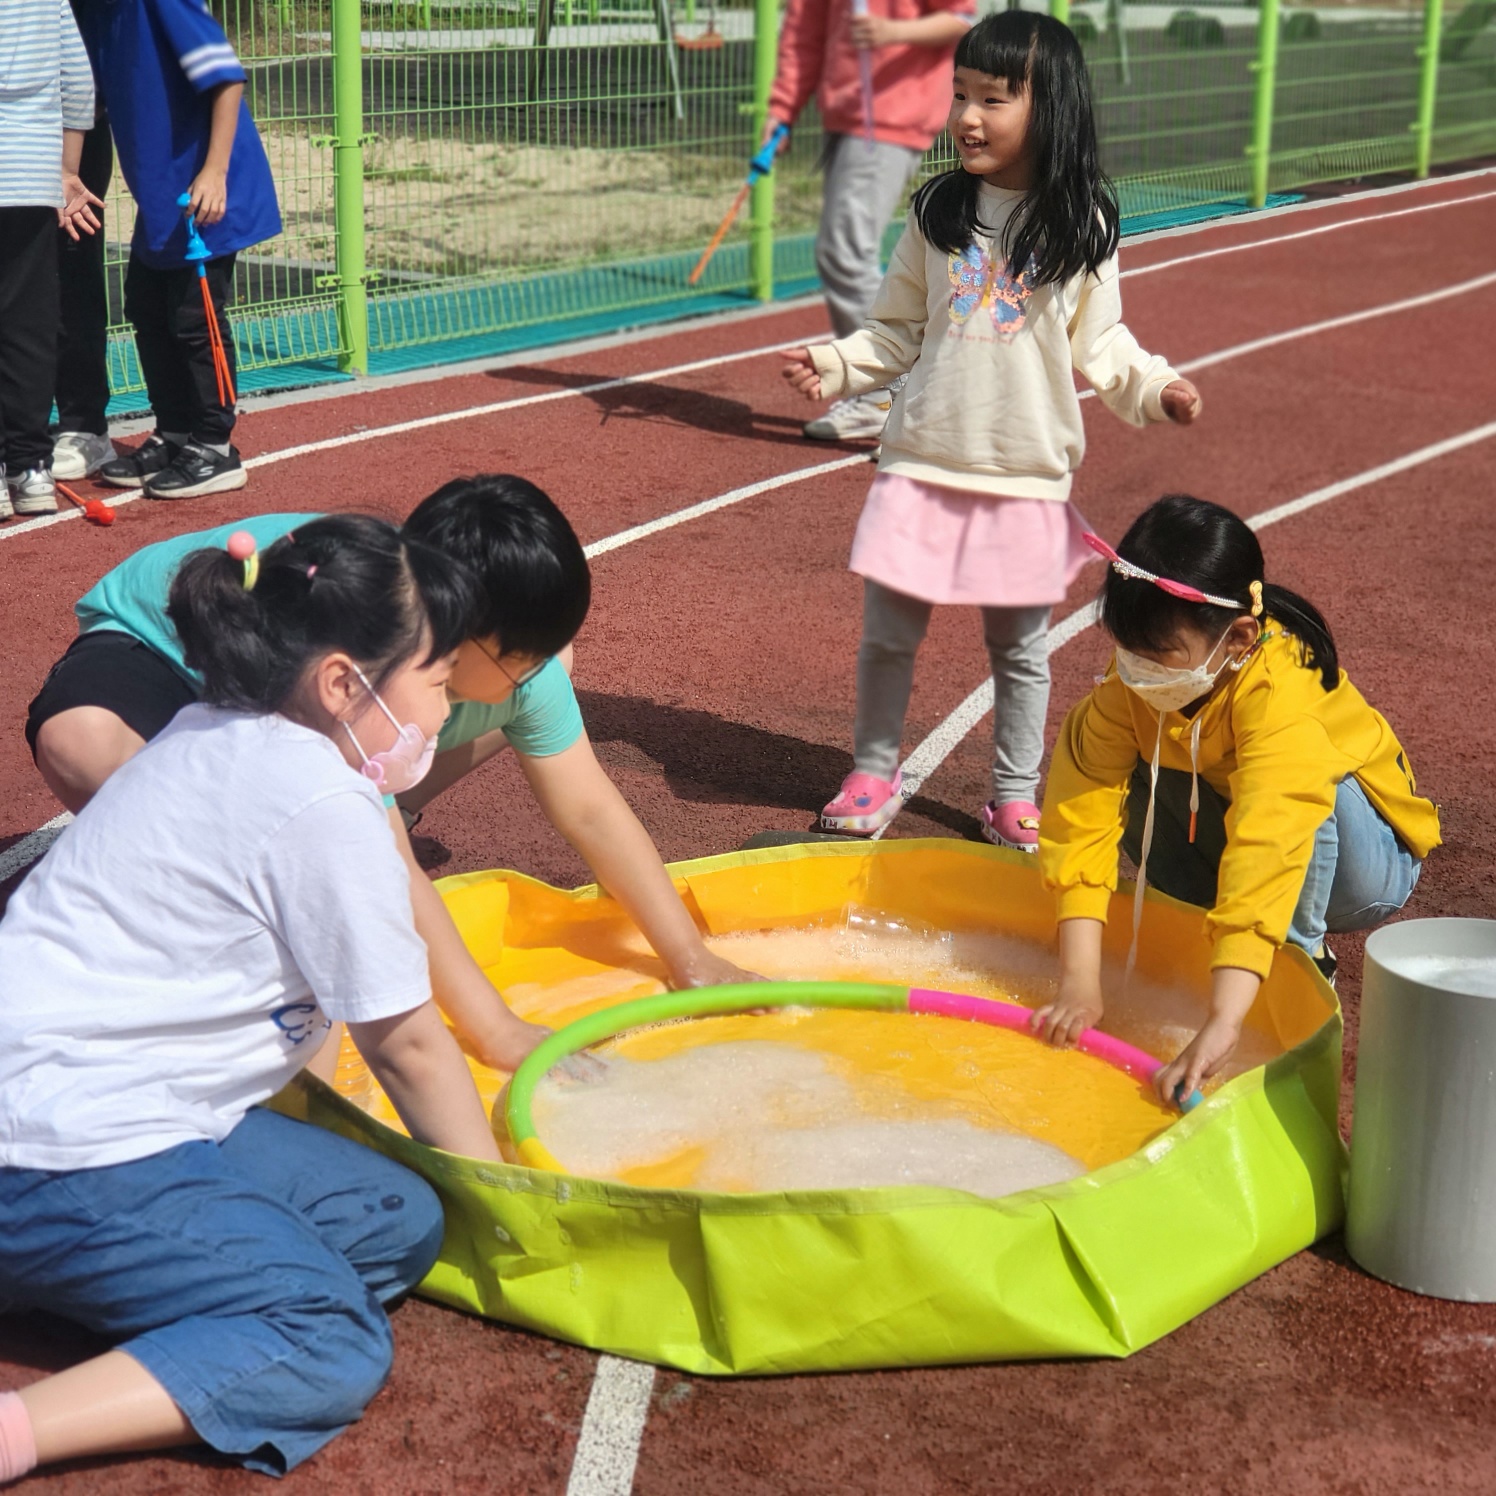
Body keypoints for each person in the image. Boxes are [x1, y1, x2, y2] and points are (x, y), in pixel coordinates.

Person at [0, 516, 506, 1483]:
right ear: (345, 684)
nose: (446, 715)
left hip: (104, 1112)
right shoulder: (322, 801)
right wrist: (518, 1209)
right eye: (438, 684)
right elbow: (408, 1046)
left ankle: (58, 1269)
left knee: (395, 1219)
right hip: (57, 1146)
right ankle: (19, 1427)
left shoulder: (212, 731)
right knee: (327, 1335)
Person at [26, 476, 756, 1066]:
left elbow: (589, 806)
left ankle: (358, 810)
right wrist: (495, 1030)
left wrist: (689, 957)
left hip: (355, 698)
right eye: (518, 655)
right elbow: (396, 872)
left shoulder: (490, 661)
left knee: (533, 686)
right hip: (164, 653)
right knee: (81, 740)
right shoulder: (350, 668)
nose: (534, 674)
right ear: (446, 622)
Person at [781, 11, 1201, 848]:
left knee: (1020, 652)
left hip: (1023, 476)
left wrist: (1157, 388)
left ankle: (1012, 792)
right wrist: (837, 367)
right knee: (888, 638)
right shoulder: (937, 210)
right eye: (961, 93)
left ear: (1052, 109)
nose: (966, 116)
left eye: (994, 99)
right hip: (921, 464)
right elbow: (897, 330)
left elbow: (1104, 341)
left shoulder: (1082, 223)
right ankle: (872, 770)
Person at [1033, 494, 1441, 1105]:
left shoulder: (1284, 695)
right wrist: (1079, 983)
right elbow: (1081, 813)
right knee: (1133, 766)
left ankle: (1300, 961)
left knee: (1307, 786)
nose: (1138, 672)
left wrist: (1226, 1023)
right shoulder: (1132, 686)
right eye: (1128, 652)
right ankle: (1210, 935)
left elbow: (1269, 839)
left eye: (1159, 657)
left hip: (1364, 869)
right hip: (1238, 833)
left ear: (1239, 637)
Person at [74, 0, 283, 498]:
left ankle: (215, 445)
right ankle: (174, 432)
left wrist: (214, 171)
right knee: (145, 307)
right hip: (162, 201)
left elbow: (226, 79)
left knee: (196, 317)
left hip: (205, 192)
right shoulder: (93, 15)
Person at [768, 0, 973, 442]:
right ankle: (890, 390)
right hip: (847, 114)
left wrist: (892, 33)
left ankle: (890, 391)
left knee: (843, 254)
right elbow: (803, 35)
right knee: (844, 254)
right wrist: (782, 111)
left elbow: (962, 18)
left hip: (890, 114)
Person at [0, 0, 104, 519]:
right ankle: (29, 468)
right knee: (27, 325)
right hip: (29, 175)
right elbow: (79, 85)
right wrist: (66, 172)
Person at [51, 0, 118, 482]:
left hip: (73, 126)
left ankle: (84, 426)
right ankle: (21, 428)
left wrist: (69, 163)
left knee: (71, 268)